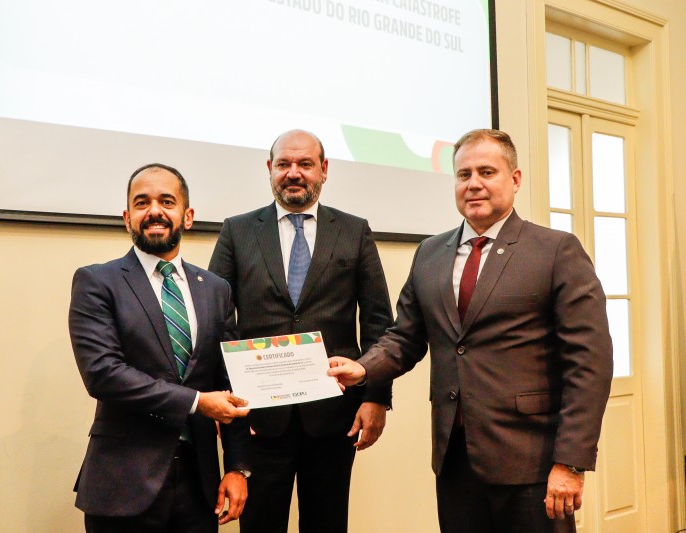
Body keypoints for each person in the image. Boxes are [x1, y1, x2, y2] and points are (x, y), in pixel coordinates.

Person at [328, 129, 613, 533]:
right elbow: (404, 337)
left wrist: (570, 462)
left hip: (532, 461)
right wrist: (362, 368)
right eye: (463, 175)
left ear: (514, 180)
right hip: (455, 458)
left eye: (486, 172)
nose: (473, 184)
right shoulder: (430, 252)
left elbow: (590, 363)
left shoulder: (555, 250)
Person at [208, 129, 394, 533]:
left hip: (335, 416)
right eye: (284, 164)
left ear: (323, 170)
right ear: (269, 170)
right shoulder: (237, 232)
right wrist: (230, 411)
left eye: (305, 164)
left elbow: (379, 322)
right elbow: (216, 325)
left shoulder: (354, 230)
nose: (294, 173)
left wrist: (377, 398)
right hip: (258, 420)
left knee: (327, 525)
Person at [69, 163, 252, 533]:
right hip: (123, 482)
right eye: (142, 203)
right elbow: (103, 374)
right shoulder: (97, 281)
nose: (154, 211)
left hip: (200, 486)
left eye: (167, 201)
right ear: (127, 218)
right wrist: (198, 402)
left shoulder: (216, 288)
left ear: (187, 216)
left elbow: (229, 380)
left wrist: (237, 467)